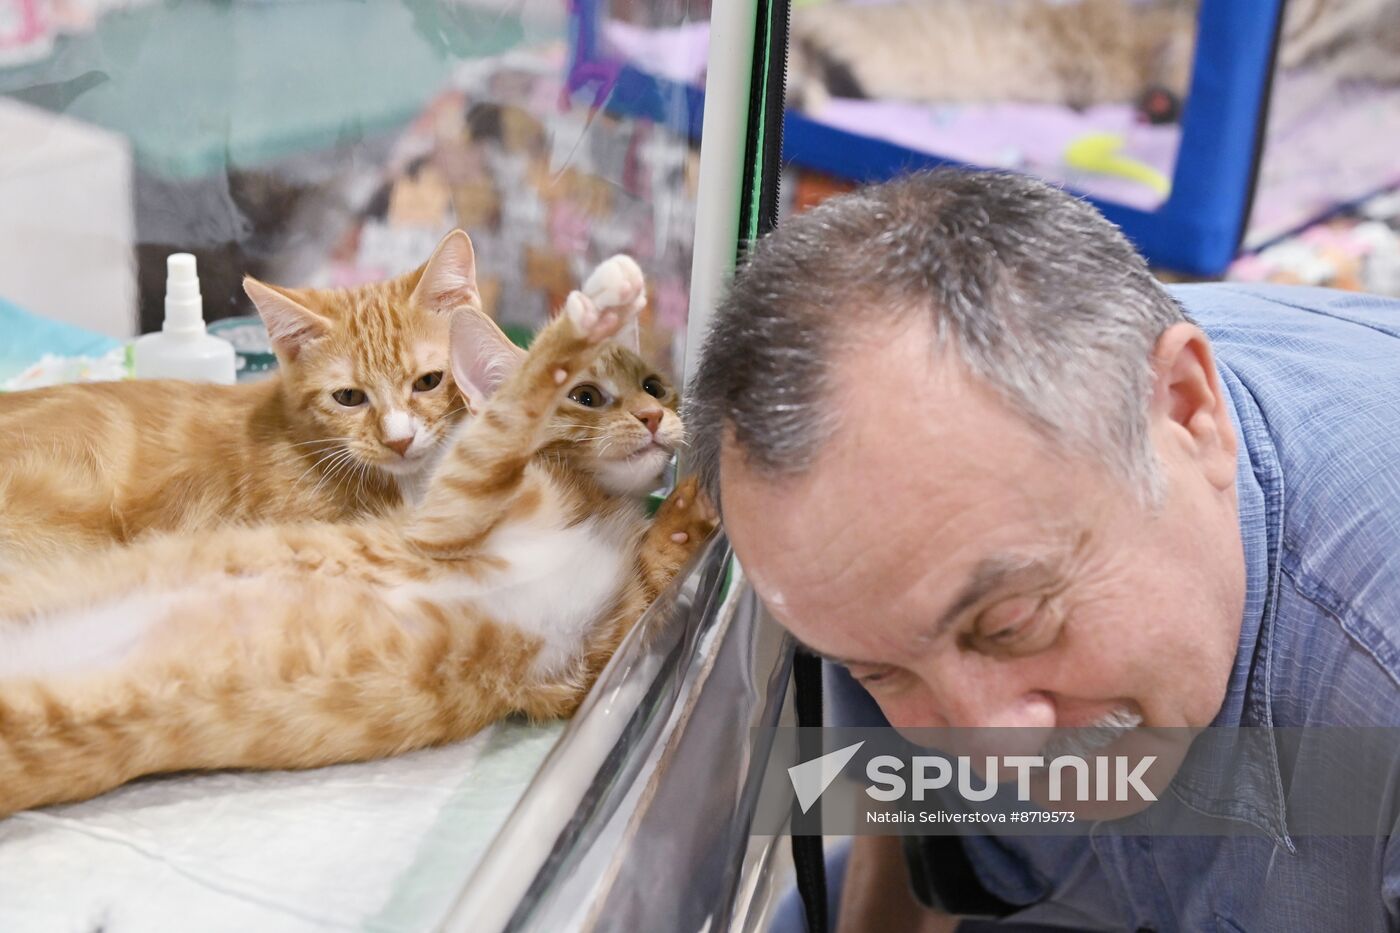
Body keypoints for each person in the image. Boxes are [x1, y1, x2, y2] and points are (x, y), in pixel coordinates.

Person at [686, 169, 1400, 931]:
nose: (994, 750)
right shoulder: (901, 566)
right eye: (881, 671)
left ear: (1190, 413)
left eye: (1013, 624)